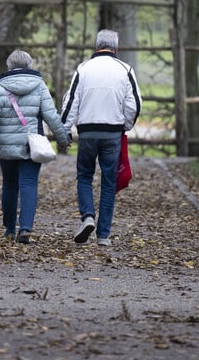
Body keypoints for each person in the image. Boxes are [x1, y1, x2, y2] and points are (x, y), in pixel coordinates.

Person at [0, 49, 71, 244]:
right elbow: (51, 115)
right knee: (29, 184)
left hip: (6, 147)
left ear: (8, 66)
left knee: (9, 185)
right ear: (30, 66)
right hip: (31, 146)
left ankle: (9, 230)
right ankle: (25, 228)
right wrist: (63, 139)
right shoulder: (39, 86)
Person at [59, 29, 141, 246]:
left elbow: (71, 101)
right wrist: (125, 125)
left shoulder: (83, 69)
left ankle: (87, 216)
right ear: (116, 48)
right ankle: (103, 235)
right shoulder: (125, 70)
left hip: (87, 132)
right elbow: (134, 104)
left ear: (96, 47)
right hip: (112, 133)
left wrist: (65, 130)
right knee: (109, 182)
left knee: (84, 176)